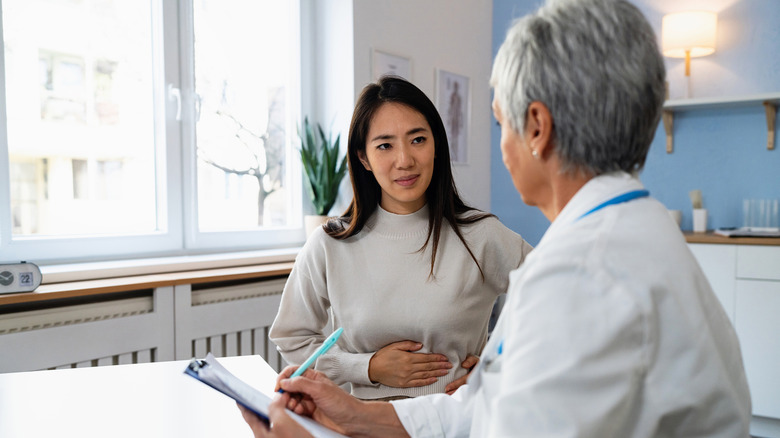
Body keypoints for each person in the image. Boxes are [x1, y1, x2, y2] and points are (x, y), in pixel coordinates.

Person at [242, 0, 752, 436]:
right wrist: (355, 415)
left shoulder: (576, 276)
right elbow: (485, 409)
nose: (502, 147)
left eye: (499, 122)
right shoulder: (637, 234)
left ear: (537, 127)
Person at [269, 76, 533, 401]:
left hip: (456, 423)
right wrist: (366, 368)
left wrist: (498, 367)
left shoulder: (481, 235)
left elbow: (560, 297)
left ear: (436, 144)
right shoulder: (329, 244)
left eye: (418, 140)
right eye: (385, 145)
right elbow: (291, 337)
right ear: (363, 158)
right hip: (363, 423)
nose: (405, 160)